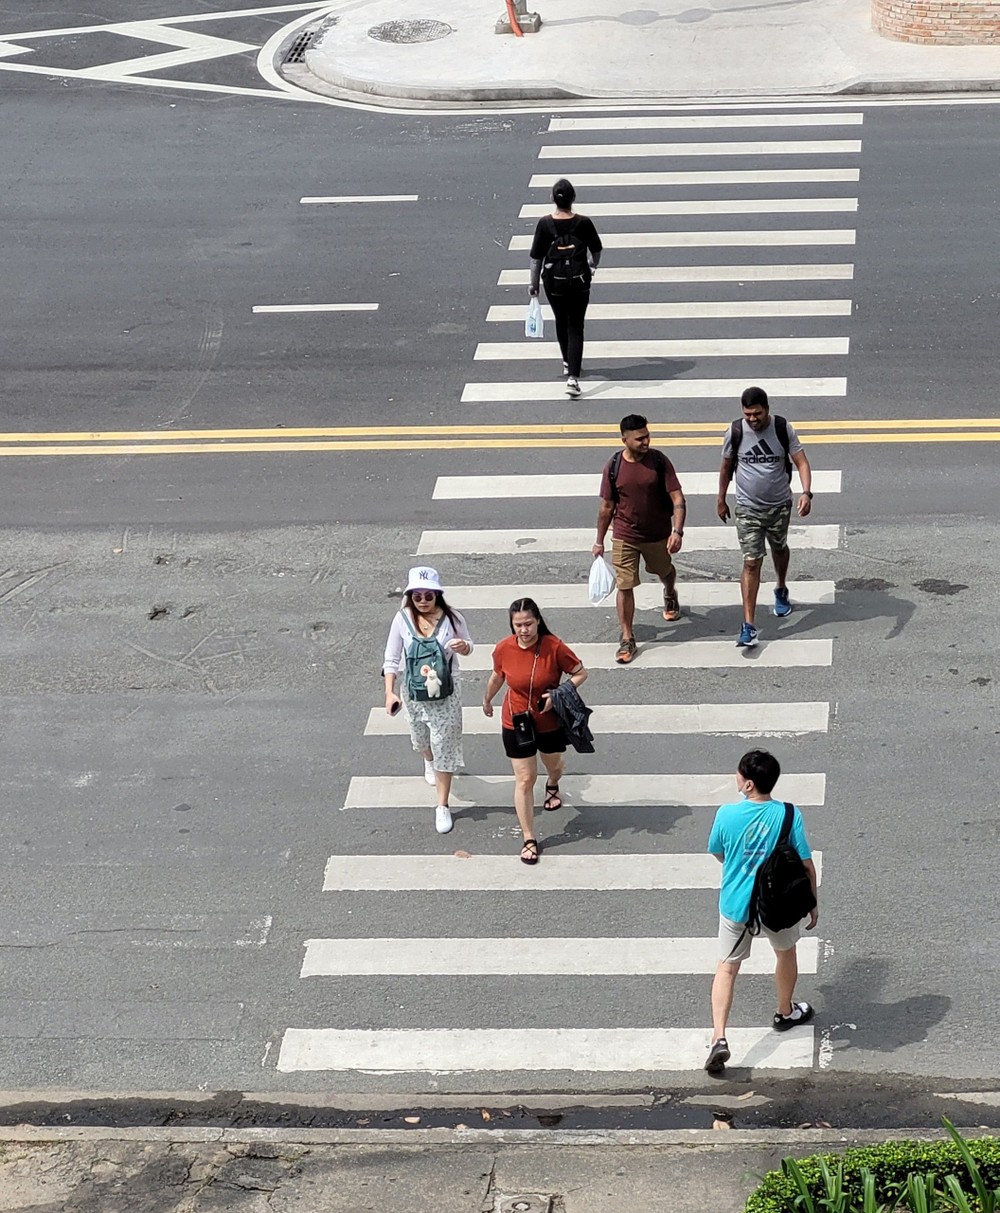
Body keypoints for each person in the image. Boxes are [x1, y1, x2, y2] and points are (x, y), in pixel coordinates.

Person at [704, 749, 819, 1076]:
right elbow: (806, 865)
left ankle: (719, 1037)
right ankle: (785, 1011)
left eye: (739, 774)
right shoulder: (788, 814)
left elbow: (717, 851)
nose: (736, 777)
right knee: (785, 953)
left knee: (727, 969)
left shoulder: (726, 814)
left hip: (736, 906)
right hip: (778, 905)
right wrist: (812, 903)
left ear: (748, 784)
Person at [482, 599, 588, 865]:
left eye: (528, 624)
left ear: (538, 621)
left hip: (548, 721)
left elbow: (580, 673)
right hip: (515, 721)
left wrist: (559, 693)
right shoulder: (504, 648)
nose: (524, 630)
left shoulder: (554, 647)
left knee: (554, 765)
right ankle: (529, 837)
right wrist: (487, 699)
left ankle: (552, 782)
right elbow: (497, 676)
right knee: (525, 779)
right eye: (518, 625)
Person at [717, 386, 814, 648]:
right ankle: (748, 625)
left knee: (779, 548)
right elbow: (725, 468)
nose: (752, 419)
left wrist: (806, 493)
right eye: (747, 414)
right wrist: (721, 499)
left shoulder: (782, 428)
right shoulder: (735, 432)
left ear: (767, 409)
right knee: (751, 562)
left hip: (779, 506)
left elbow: (801, 462)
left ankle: (780, 587)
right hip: (747, 508)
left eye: (757, 414)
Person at [383, 566, 474, 836]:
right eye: (417, 596)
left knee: (444, 745)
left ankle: (442, 805)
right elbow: (391, 658)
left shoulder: (453, 618)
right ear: (410, 596)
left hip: (446, 693)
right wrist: (389, 692)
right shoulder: (402, 619)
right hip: (414, 693)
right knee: (421, 740)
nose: (423, 601)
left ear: (437, 595)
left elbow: (469, 645)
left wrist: (463, 647)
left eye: (428, 596)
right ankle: (428, 759)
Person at [592, 414, 687, 665]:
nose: (646, 441)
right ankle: (627, 637)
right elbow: (607, 506)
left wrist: (677, 531)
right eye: (639, 438)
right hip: (625, 535)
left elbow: (678, 498)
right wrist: (599, 541)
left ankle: (670, 592)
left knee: (664, 570)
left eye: (647, 436)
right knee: (624, 585)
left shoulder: (659, 461)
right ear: (624, 440)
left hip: (657, 534)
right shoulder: (614, 466)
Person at [528, 178, 603, 399]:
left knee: (561, 320)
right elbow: (597, 249)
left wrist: (533, 284)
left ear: (552, 198)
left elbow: (536, 258)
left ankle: (567, 362)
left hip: (554, 283)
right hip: (579, 281)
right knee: (576, 326)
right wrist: (591, 265)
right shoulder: (584, 223)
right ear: (574, 198)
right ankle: (573, 378)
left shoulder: (545, 224)